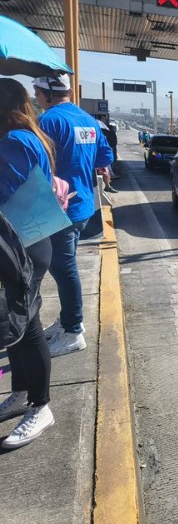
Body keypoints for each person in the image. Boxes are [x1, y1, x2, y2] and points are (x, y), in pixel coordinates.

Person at [33, 74, 114, 356]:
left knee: (63, 269)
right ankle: (67, 320)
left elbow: (36, 163)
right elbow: (105, 158)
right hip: (82, 205)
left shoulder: (48, 121)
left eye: (37, 90)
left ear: (48, 92)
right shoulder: (88, 121)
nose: (35, 96)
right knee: (65, 266)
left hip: (59, 207)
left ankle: (72, 330)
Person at [0, 78, 57, 447]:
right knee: (15, 324)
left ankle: (40, 406)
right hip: (25, 238)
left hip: (23, 241)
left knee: (27, 323)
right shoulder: (24, 138)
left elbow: (15, 195)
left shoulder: (15, 142)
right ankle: (21, 392)